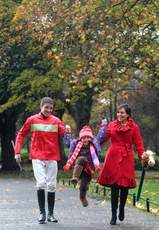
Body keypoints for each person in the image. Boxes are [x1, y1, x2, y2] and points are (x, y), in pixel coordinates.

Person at [14, 97, 65, 224]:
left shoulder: (56, 121)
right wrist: (17, 152)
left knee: (52, 185)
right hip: (37, 156)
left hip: (52, 156)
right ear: (41, 107)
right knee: (41, 183)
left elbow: (65, 135)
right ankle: (42, 213)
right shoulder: (32, 120)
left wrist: (68, 132)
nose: (48, 110)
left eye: (51, 108)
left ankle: (51, 214)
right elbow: (20, 134)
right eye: (46, 107)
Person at [97, 103, 145, 225]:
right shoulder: (112, 125)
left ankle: (122, 208)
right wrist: (102, 128)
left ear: (128, 114)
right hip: (113, 156)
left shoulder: (134, 127)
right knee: (114, 186)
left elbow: (139, 145)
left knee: (124, 187)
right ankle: (113, 214)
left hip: (127, 157)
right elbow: (103, 139)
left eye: (122, 112)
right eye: (118, 112)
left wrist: (142, 158)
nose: (119, 115)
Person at [63, 120, 108, 207]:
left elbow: (100, 136)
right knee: (82, 159)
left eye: (88, 138)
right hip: (78, 164)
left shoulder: (94, 144)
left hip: (88, 168)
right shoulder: (75, 144)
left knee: (83, 186)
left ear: (91, 138)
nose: (85, 140)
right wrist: (67, 133)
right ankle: (75, 177)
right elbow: (67, 143)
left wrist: (104, 126)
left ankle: (82, 197)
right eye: (83, 138)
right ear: (80, 138)